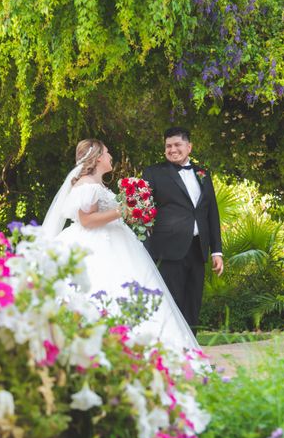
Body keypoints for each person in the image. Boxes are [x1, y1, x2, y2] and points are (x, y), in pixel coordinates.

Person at [42, 138, 198, 351]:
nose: (110, 156)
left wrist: (130, 212)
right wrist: (122, 211)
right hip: (96, 246)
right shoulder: (86, 184)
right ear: (97, 158)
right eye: (106, 152)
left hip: (117, 240)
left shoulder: (97, 184)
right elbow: (87, 220)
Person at [143, 127, 223, 334]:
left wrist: (217, 251)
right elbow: (143, 212)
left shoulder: (202, 173)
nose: (172, 149)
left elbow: (211, 213)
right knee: (170, 304)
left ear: (189, 147)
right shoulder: (153, 173)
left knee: (193, 304)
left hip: (198, 249)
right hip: (168, 251)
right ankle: (169, 354)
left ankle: (192, 355)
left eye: (177, 145)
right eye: (168, 146)